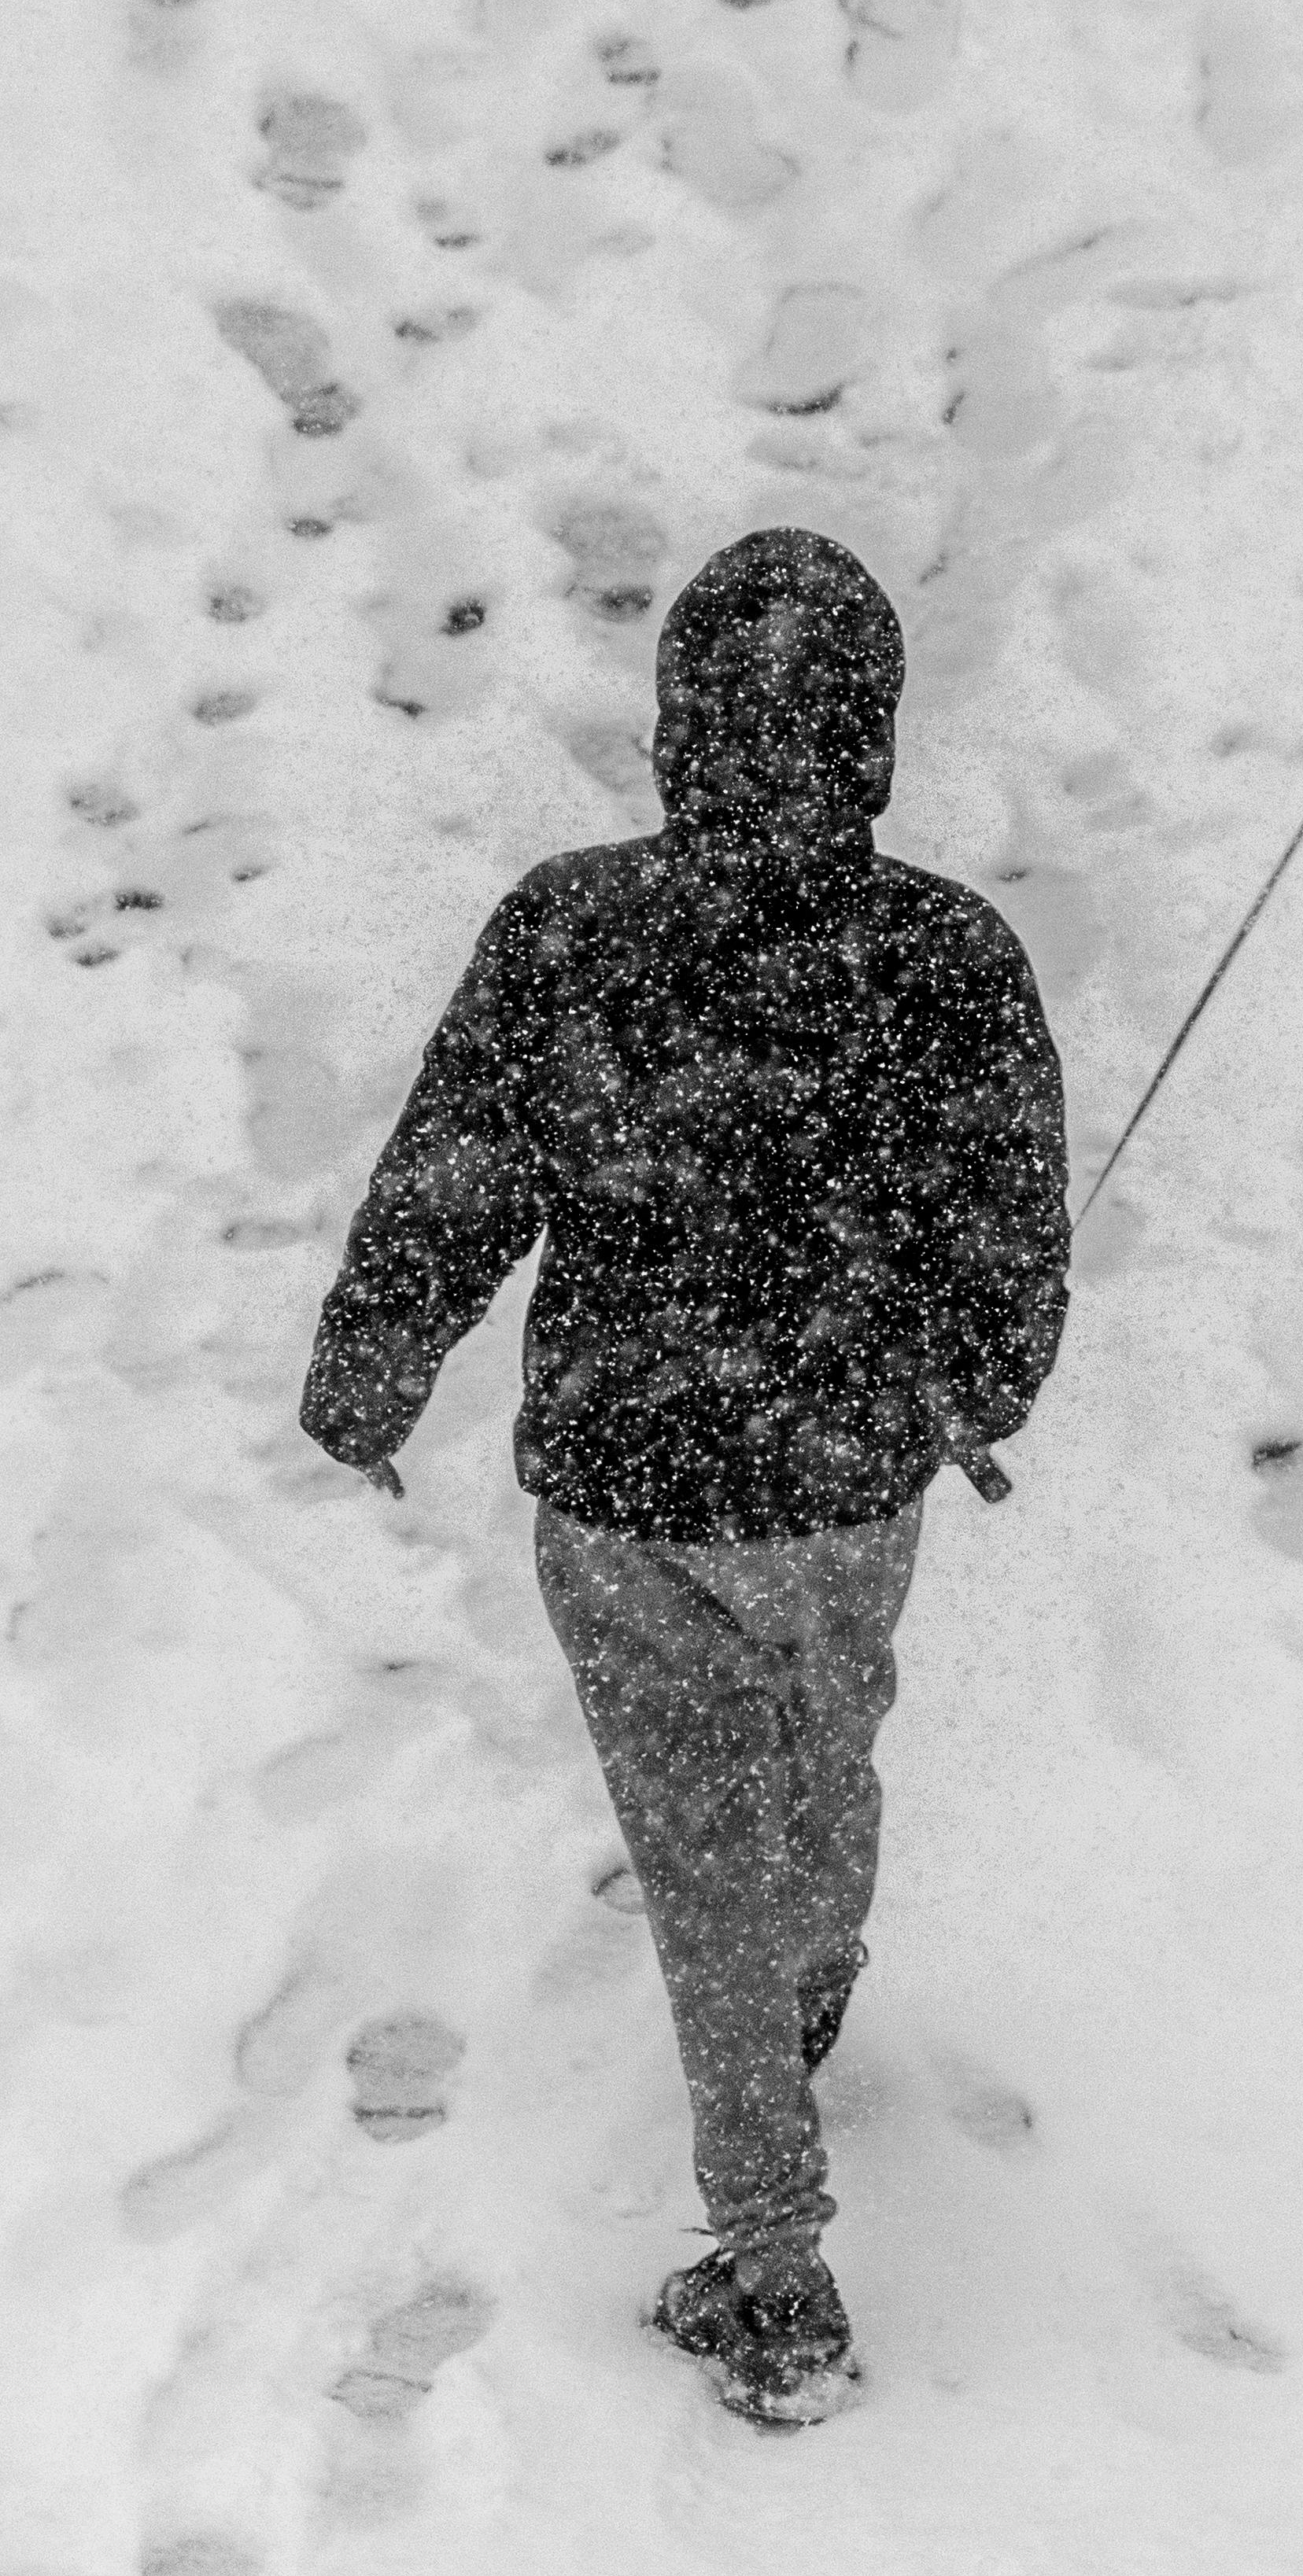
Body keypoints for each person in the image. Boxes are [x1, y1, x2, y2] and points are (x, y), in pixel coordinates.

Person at [298, 529, 1069, 2426]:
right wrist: (973, 1388)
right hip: (841, 1483)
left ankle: (777, 2230)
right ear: (872, 744)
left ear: (673, 737)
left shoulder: (570, 929)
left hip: (631, 1483)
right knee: (819, 1757)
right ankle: (792, 2067)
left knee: (706, 1853)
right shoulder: (945, 955)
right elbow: (1013, 1221)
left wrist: (373, 1373)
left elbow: (460, 1173)